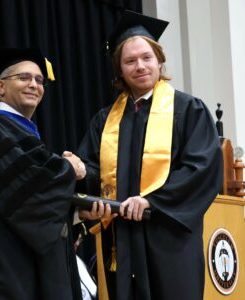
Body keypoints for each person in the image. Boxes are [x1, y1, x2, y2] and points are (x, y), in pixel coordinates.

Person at [66, 10, 224, 300]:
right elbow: (94, 173)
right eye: (130, 61)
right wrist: (80, 174)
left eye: (146, 58)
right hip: (122, 244)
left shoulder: (188, 110)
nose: (139, 66)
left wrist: (151, 201)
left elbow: (202, 169)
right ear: (120, 70)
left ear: (160, 60)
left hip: (169, 242)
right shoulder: (105, 121)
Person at [0, 47, 85, 300]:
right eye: (24, 78)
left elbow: (33, 196)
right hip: (9, 269)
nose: (34, 84)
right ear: (0, 86)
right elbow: (31, 189)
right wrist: (69, 169)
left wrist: (77, 213)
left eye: (39, 80)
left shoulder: (21, 131)